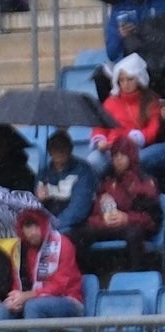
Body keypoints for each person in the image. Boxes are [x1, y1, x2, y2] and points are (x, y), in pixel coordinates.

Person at [0, 207, 85, 332]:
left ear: (44, 224)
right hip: (32, 300)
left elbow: (60, 286)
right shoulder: (18, 250)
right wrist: (15, 299)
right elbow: (17, 283)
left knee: (34, 307)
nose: (32, 232)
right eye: (28, 227)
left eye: (36, 225)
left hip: (67, 301)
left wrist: (27, 296)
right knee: (4, 309)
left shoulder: (62, 244)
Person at [82, 141, 161, 269]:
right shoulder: (107, 181)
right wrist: (103, 218)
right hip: (106, 226)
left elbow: (153, 220)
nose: (118, 159)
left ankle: (137, 275)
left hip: (131, 228)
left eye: (122, 155)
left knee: (134, 233)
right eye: (115, 155)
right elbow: (91, 217)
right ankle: (84, 277)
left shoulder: (144, 182)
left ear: (131, 156)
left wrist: (127, 218)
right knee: (78, 234)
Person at [91, 54, 162, 176]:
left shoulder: (150, 101)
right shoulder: (111, 101)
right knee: (93, 161)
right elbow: (100, 126)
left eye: (130, 79)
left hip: (135, 147)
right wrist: (99, 141)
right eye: (122, 80)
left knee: (138, 160)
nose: (126, 84)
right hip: (111, 148)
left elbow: (153, 128)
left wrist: (137, 138)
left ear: (139, 78)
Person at [36, 130, 98, 240]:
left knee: (62, 238)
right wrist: (39, 200)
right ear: (49, 151)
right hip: (49, 225)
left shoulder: (83, 171)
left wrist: (53, 225)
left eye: (63, 147)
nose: (60, 151)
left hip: (77, 226)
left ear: (70, 149)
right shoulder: (44, 174)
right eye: (55, 147)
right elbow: (33, 207)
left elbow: (78, 210)